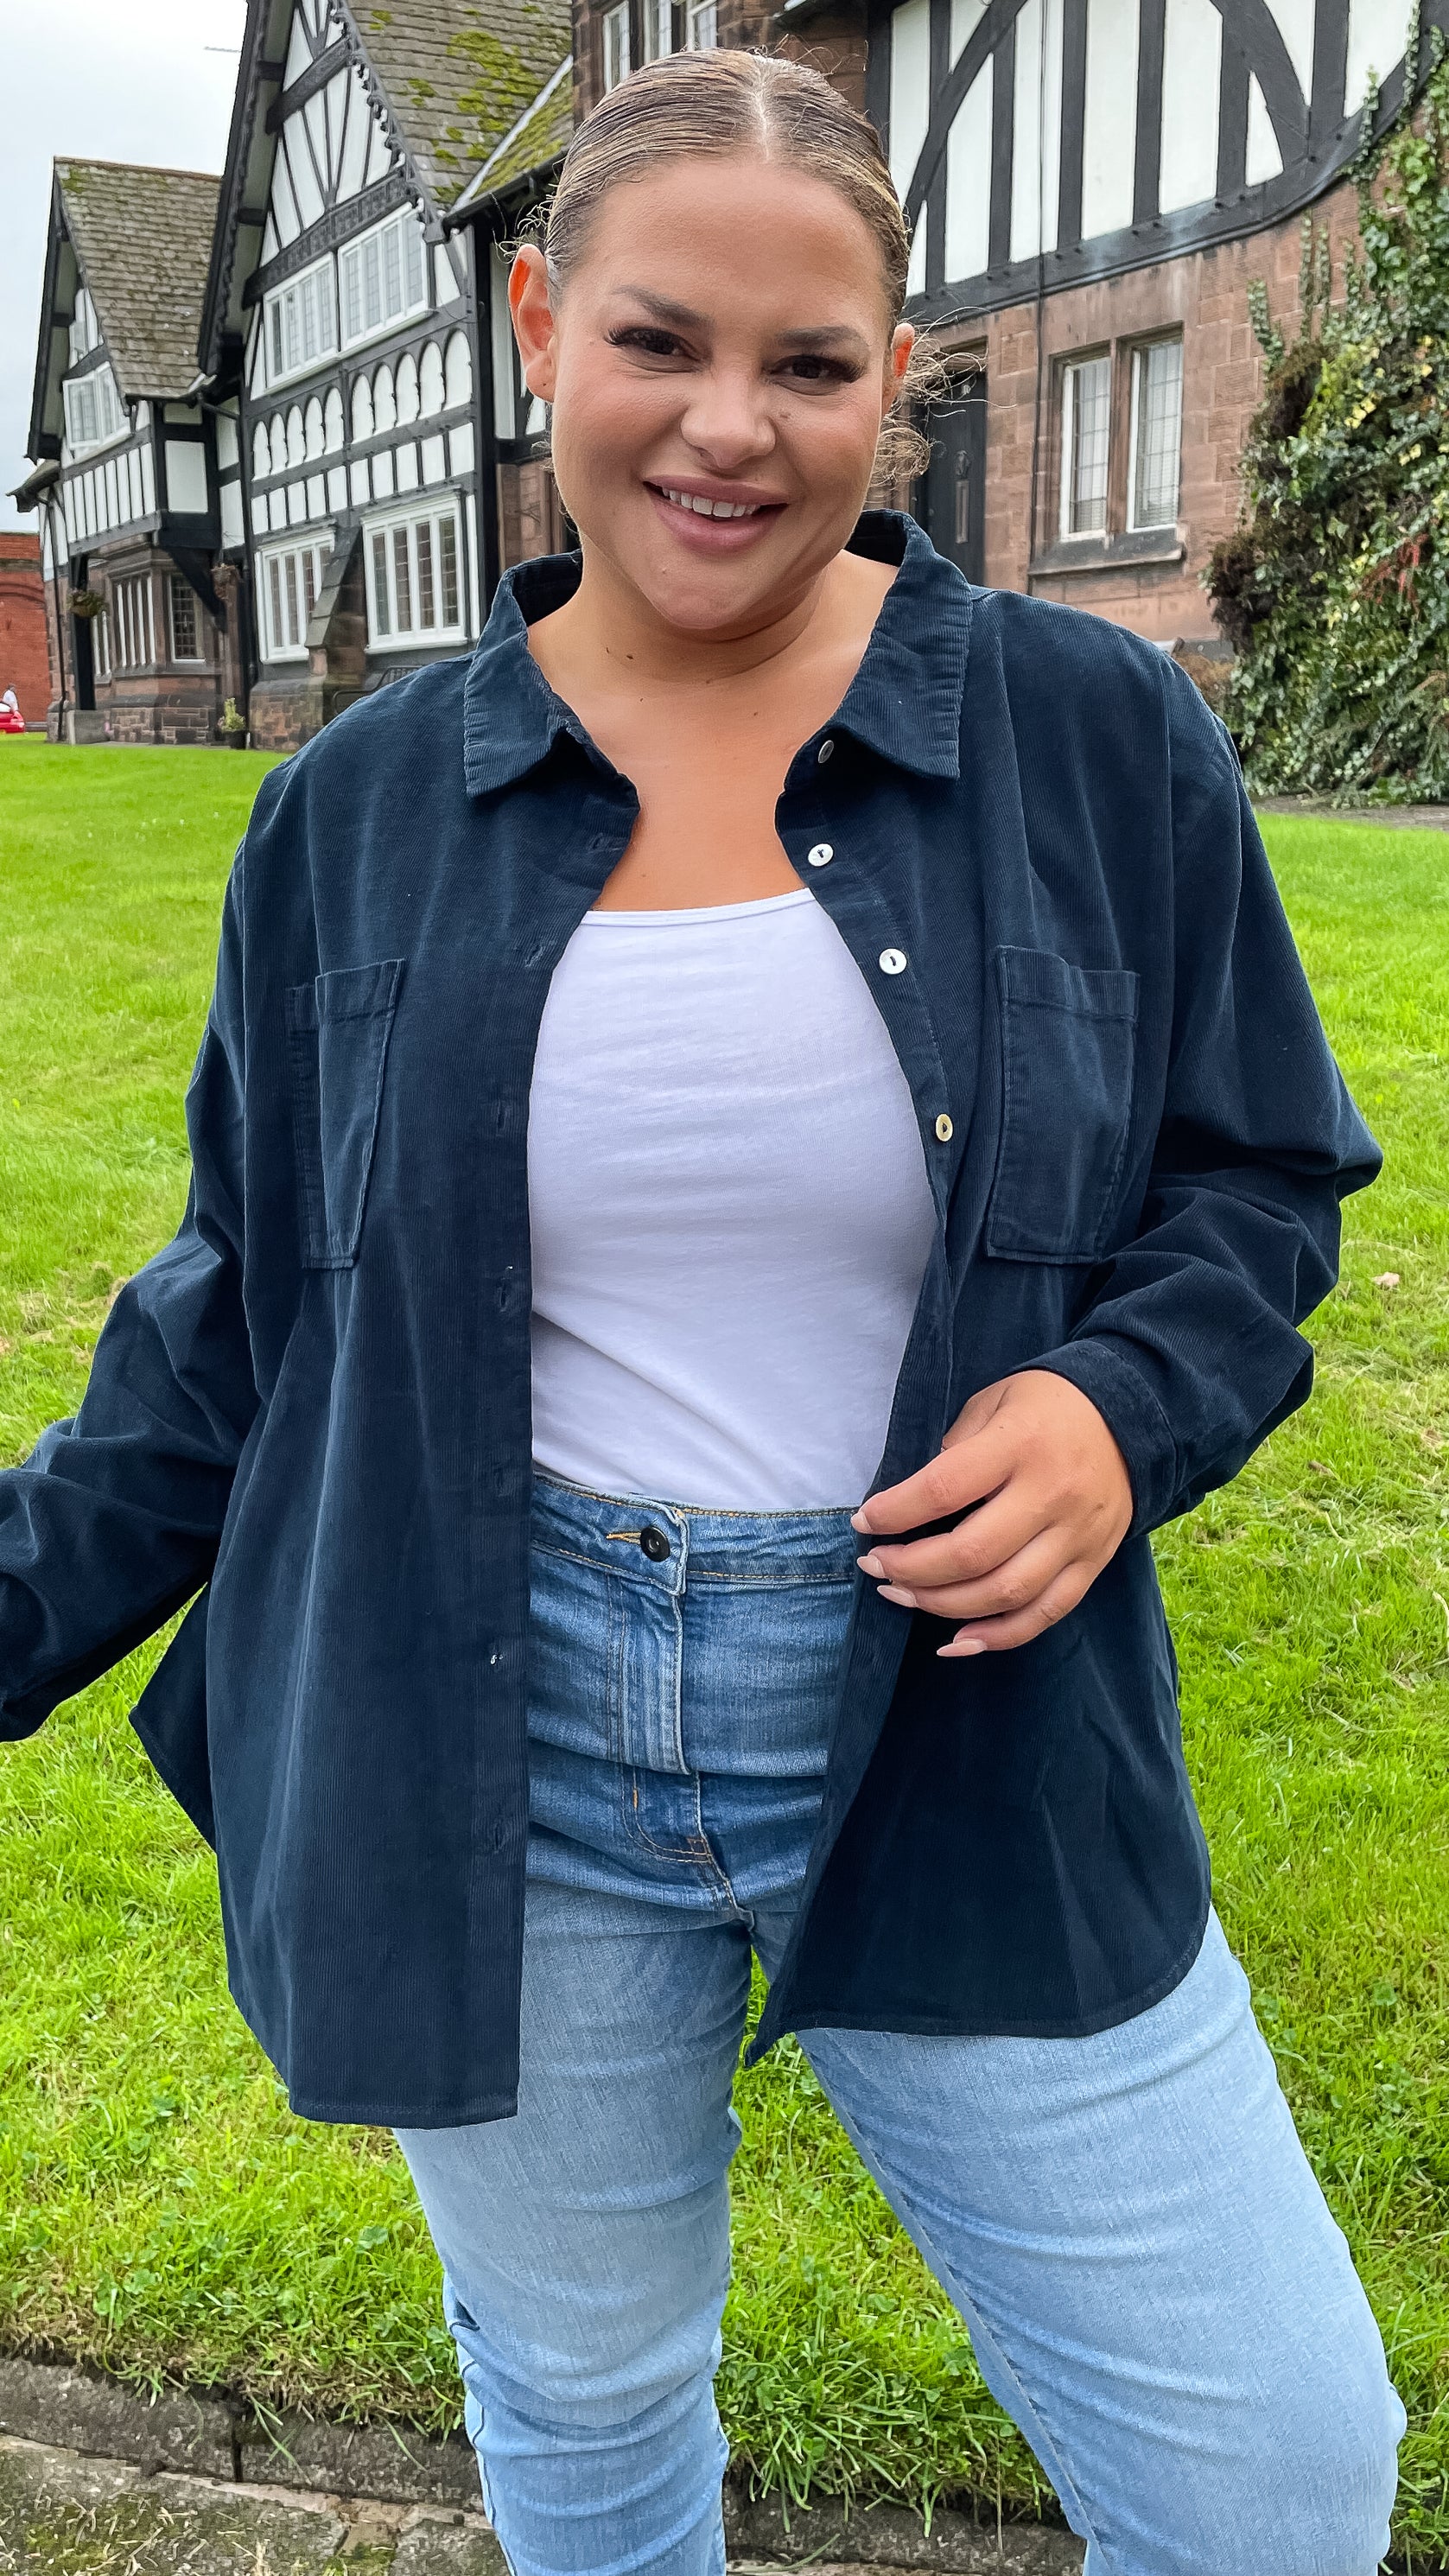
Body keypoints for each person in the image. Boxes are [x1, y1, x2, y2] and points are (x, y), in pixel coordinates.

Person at [0, 48, 1403, 2576]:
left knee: (1273, 2475)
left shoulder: (1092, 734)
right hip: (492, 1726)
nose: (729, 429)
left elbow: (1255, 1180)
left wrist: (1118, 1408)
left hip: (961, 1714)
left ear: (901, 375)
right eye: (659, 341)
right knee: (588, 2402)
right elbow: (239, 1318)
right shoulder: (353, 812)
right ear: (544, 327)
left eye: (810, 364)